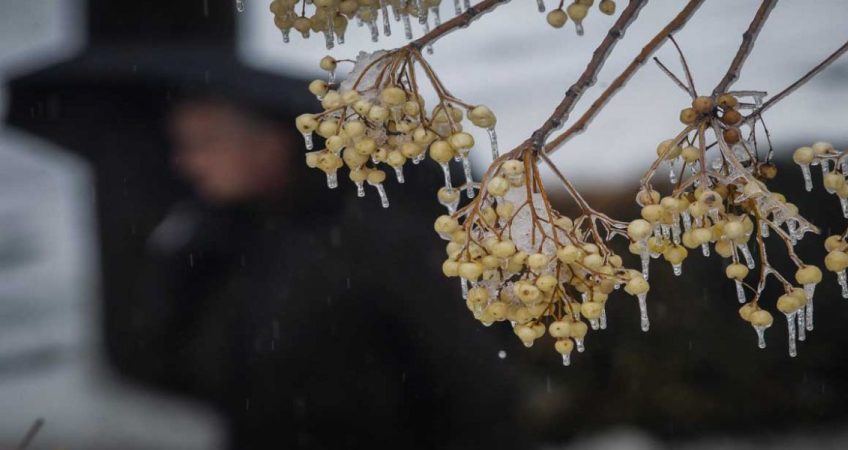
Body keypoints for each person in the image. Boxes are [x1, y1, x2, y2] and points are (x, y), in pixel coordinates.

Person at [7, 1, 528, 448]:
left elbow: (475, 385)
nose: (185, 163)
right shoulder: (231, 244)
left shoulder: (381, 238)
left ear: (270, 137)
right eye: (179, 145)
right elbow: (173, 367)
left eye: (203, 141)